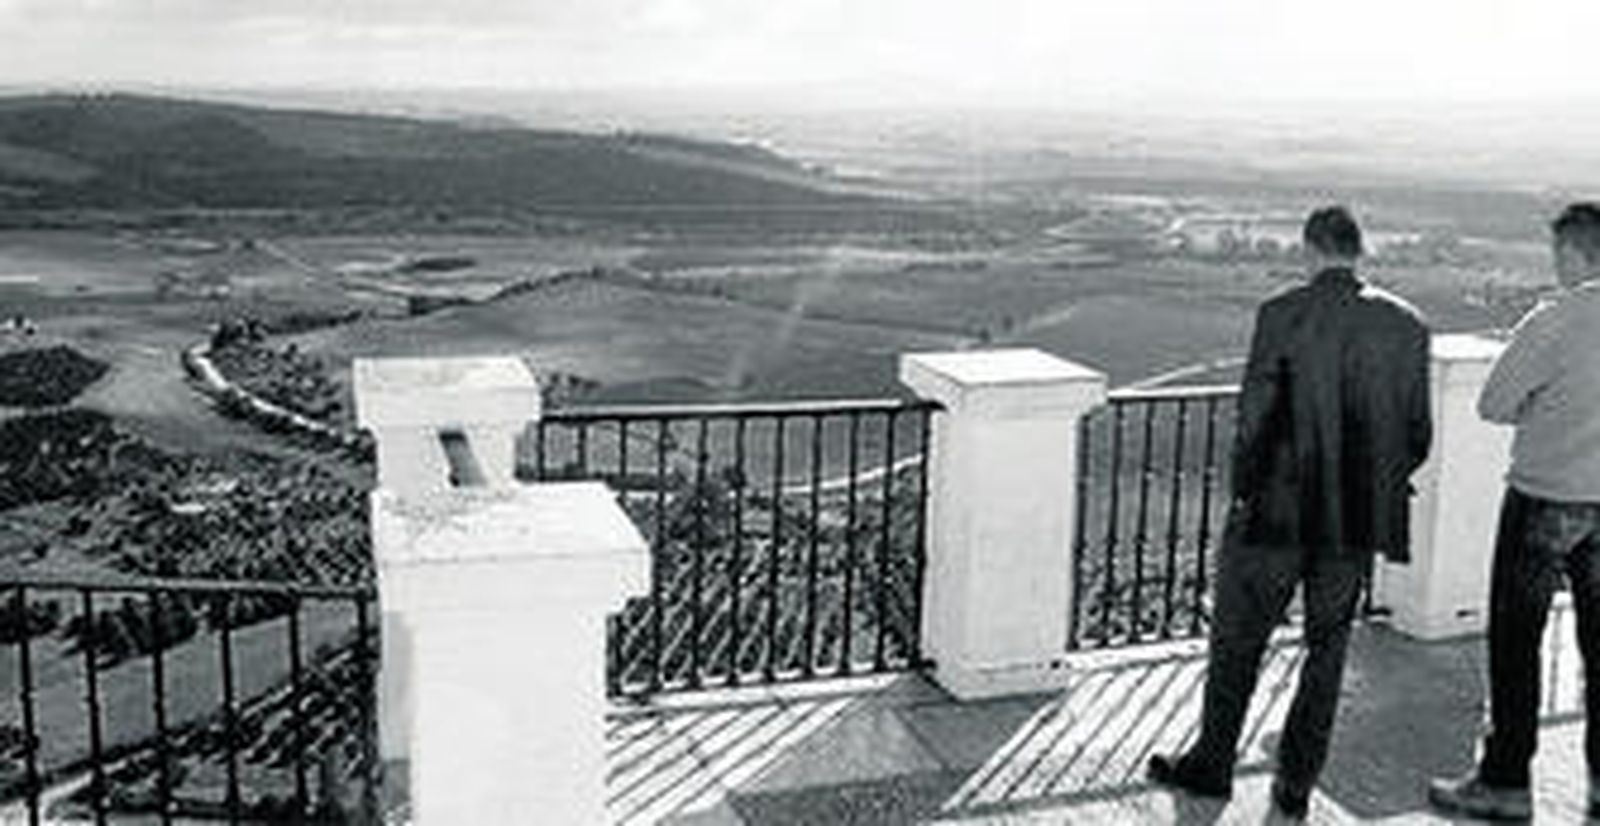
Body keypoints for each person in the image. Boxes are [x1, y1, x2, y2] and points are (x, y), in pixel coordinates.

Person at [1147, 205, 1433, 818]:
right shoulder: (1408, 325)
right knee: (1327, 654)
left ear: (1309, 250)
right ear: (1358, 251)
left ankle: (1211, 768)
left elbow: (1254, 418)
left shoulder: (1281, 314)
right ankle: (1296, 787)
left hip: (1275, 513)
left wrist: (1245, 492)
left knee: (1238, 642)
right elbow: (1416, 435)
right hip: (1353, 522)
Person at [1430, 203, 1600, 821]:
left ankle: (1505, 783)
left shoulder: (1554, 320)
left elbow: (1495, 404)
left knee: (1515, 643)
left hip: (1544, 497)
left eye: (1558, 254)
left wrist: (1543, 410)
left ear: (1574, 252)